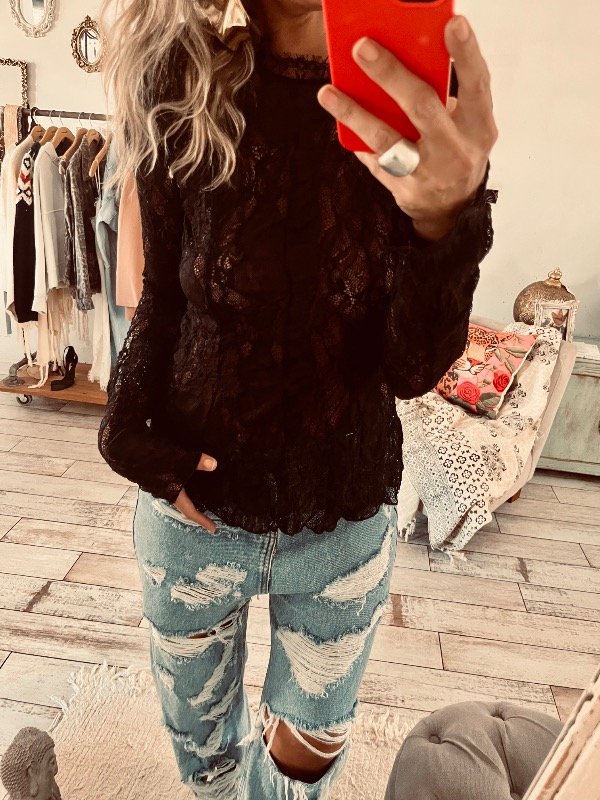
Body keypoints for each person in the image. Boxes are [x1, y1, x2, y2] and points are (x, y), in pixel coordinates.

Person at [97, 1, 498, 797]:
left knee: (296, 774)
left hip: (342, 522)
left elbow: (411, 367)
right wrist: (122, 428)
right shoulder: (182, 74)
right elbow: (164, 294)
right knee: (206, 762)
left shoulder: (414, 92)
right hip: (191, 518)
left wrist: (445, 224)